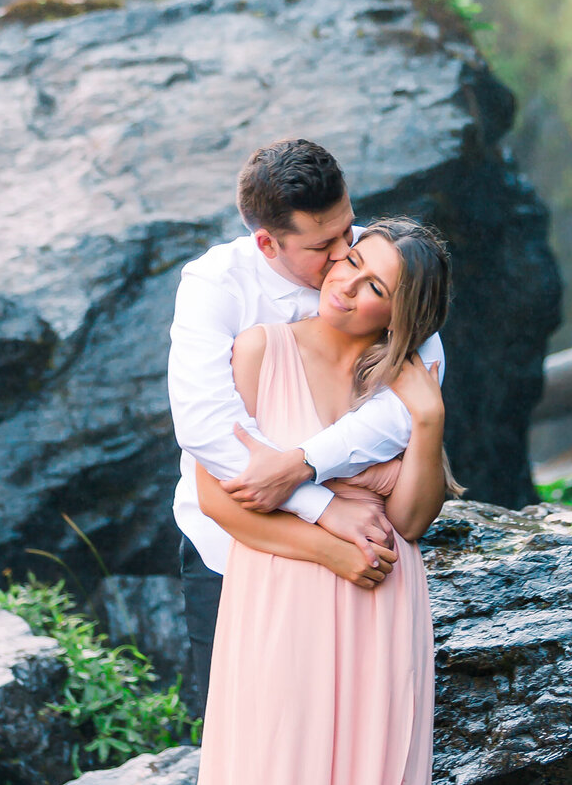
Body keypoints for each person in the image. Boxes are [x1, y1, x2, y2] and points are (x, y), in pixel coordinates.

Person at [186, 217, 454, 785]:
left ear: (399, 315)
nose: (346, 283)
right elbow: (214, 501)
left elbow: (410, 520)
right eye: (350, 262)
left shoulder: (404, 383)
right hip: (283, 597)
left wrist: (430, 422)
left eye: (374, 286)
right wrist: (330, 548)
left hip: (385, 612)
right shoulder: (261, 351)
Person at [167, 139, 445, 711]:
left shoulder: (372, 262)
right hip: (232, 551)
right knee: (238, 734)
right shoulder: (216, 285)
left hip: (359, 567)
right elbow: (208, 430)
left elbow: (402, 410)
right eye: (325, 244)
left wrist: (302, 462)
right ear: (267, 241)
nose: (346, 251)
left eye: (349, 226)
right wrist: (320, 507)